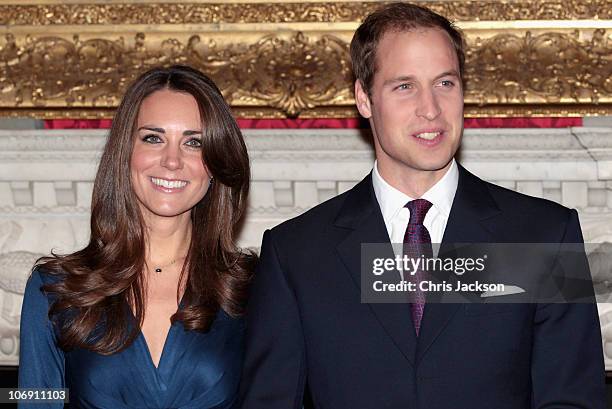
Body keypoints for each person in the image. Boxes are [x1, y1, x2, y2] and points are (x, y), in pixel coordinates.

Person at [239, 3, 606, 408]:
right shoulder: (296, 253)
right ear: (364, 98)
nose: (431, 109)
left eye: (445, 83)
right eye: (404, 86)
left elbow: (574, 400)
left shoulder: (545, 236)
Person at [19, 65, 255, 409]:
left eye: (194, 142)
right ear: (124, 153)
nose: (172, 161)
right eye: (153, 138)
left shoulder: (254, 288)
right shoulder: (54, 289)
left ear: (216, 164)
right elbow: (34, 398)